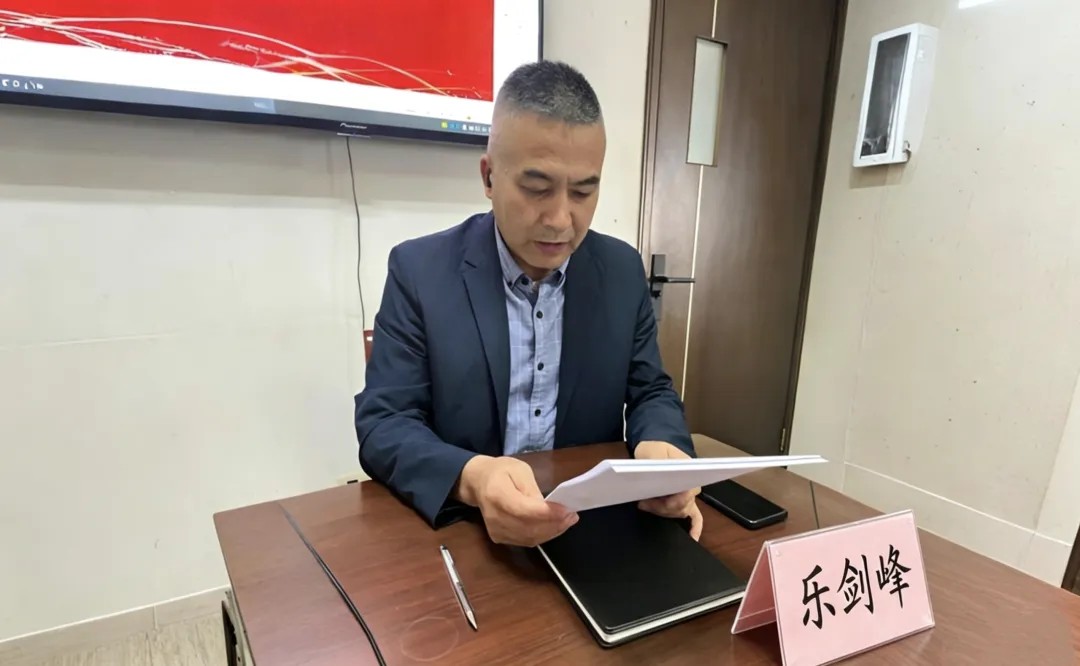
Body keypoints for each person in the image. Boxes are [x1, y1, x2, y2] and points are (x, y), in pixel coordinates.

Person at [354, 60, 702, 548]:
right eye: (537, 189)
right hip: (468, 530)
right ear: (489, 177)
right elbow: (385, 421)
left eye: (583, 191)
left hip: (588, 529)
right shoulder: (420, 271)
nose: (560, 219)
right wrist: (473, 477)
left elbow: (651, 392)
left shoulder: (621, 272)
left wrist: (660, 446)